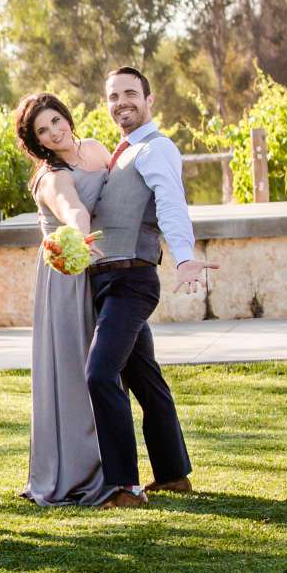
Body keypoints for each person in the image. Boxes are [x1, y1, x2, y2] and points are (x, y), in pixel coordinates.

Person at [80, 66, 211, 508]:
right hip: (107, 279)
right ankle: (173, 473)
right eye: (114, 96)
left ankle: (124, 485)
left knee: (100, 374)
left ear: (150, 100)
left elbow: (172, 203)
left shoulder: (157, 149)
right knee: (145, 379)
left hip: (131, 279)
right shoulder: (119, 153)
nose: (122, 103)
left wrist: (186, 254)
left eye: (130, 94)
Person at [15, 92, 113, 507]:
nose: (54, 132)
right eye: (43, 131)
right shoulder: (50, 177)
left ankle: (114, 461)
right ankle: (77, 470)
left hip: (102, 269)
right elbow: (74, 212)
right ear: (37, 143)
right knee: (75, 369)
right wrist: (82, 238)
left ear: (67, 116)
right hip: (67, 275)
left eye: (56, 121)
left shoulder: (94, 150)